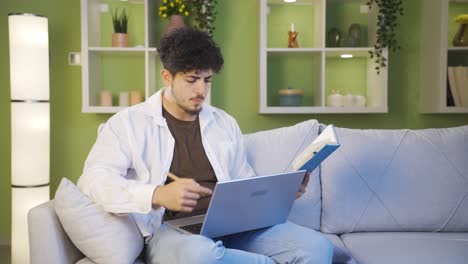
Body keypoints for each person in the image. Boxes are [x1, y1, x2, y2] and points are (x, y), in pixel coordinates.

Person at [77, 27, 333, 264]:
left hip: (232, 225)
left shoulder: (224, 123)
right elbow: (93, 180)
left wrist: (283, 191)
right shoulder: (128, 124)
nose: (201, 89)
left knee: (318, 248)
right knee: (201, 256)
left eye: (207, 80)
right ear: (167, 76)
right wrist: (157, 194)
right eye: (191, 80)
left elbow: (244, 182)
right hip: (171, 232)